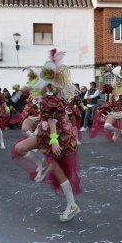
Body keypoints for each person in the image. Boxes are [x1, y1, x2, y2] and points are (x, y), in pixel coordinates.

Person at [12, 49, 81, 222]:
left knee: (57, 169)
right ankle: (40, 164)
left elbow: (52, 120)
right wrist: (30, 72)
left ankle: (72, 205)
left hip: (56, 134)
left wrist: (54, 141)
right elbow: (29, 87)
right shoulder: (45, 90)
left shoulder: (50, 96)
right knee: (19, 148)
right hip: (46, 131)